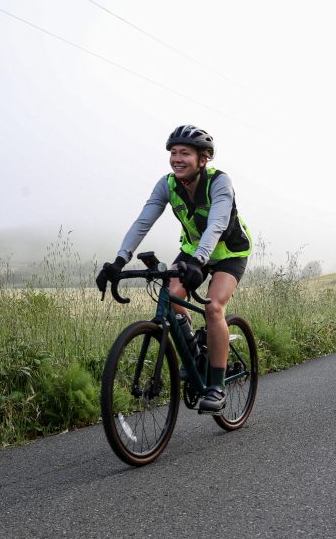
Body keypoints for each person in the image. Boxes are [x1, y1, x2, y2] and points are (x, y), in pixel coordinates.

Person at [96, 125, 252, 413]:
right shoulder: (167, 185)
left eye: (185, 153)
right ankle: (194, 353)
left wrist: (199, 261)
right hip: (194, 251)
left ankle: (216, 385)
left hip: (229, 253)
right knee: (172, 295)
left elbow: (217, 223)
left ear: (202, 159)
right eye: (173, 153)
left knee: (214, 306)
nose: (177, 159)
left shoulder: (219, 183)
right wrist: (118, 261)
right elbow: (143, 221)